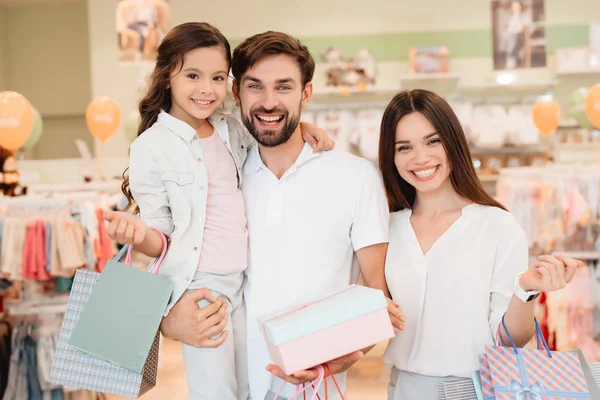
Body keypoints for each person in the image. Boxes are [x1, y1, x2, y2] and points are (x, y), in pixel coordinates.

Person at [160, 30, 405, 400]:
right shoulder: (222, 174)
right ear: (236, 91)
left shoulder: (356, 178)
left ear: (306, 93)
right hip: (226, 381)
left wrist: (339, 356)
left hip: (313, 386)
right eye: (255, 87)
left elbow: (376, 294)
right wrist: (168, 323)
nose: (269, 102)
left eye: (284, 87)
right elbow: (170, 258)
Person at [103, 22, 334, 400]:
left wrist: (303, 124)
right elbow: (160, 233)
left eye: (217, 77)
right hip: (201, 289)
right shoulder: (152, 145)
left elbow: (270, 128)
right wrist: (137, 234)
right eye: (192, 75)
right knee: (217, 393)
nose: (206, 89)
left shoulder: (229, 129)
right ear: (166, 78)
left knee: (249, 386)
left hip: (242, 282)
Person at [378, 89, 582, 399]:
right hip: (404, 387)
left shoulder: (497, 225)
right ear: (391, 157)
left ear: (453, 143)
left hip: (479, 389)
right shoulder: (385, 228)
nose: (420, 158)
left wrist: (525, 289)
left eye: (433, 141)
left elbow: (511, 339)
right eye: (404, 147)